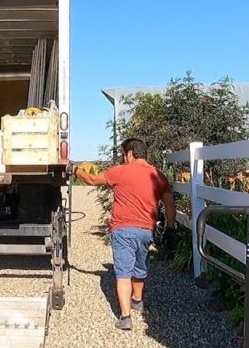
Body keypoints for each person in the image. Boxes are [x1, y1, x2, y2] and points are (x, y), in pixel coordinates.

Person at [75, 138, 176, 331]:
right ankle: (137, 301)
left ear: (129, 153)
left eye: (124, 154)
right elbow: (170, 203)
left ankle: (125, 316)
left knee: (123, 273)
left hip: (123, 230)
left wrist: (74, 170)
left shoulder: (120, 171)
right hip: (147, 230)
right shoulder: (158, 175)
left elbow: (92, 180)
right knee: (140, 267)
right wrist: (170, 228)